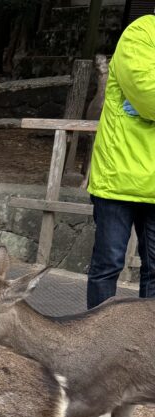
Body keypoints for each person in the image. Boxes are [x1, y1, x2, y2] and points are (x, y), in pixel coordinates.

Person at [86, 12, 155, 309]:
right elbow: (147, 94)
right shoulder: (140, 33)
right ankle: (98, 341)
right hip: (119, 174)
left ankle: (147, 341)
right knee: (108, 265)